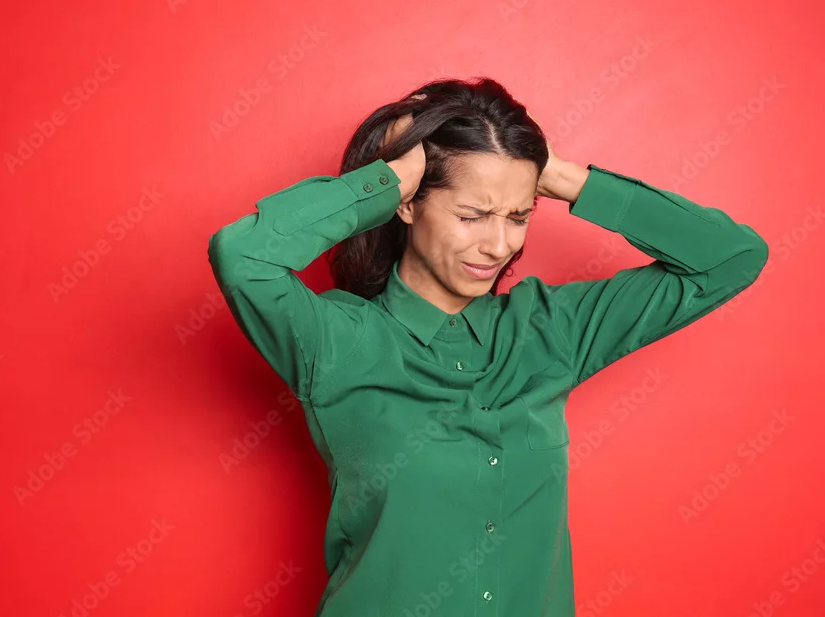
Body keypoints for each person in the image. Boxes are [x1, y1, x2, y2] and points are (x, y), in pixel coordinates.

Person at [206, 77, 768, 617]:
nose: (499, 245)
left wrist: (561, 175)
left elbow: (731, 258)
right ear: (409, 205)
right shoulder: (335, 340)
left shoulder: (553, 329)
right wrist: (388, 179)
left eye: (518, 217)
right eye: (471, 216)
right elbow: (242, 256)